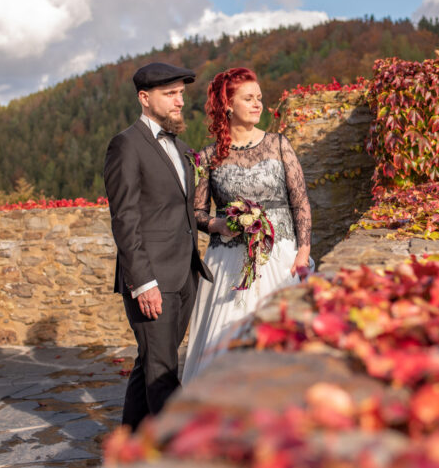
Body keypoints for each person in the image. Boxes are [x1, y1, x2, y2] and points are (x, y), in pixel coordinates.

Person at [181, 67, 312, 384]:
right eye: (249, 98)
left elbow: (301, 201)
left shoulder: (280, 144)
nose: (258, 105)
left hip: (280, 259)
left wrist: (303, 251)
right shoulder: (208, 157)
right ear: (227, 104)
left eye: (260, 99)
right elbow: (196, 212)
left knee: (281, 342)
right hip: (227, 265)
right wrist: (220, 225)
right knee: (228, 344)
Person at [103, 62, 212, 431]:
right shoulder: (126, 144)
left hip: (185, 275)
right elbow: (125, 218)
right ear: (144, 98)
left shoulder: (182, 148)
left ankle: (130, 446)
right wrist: (143, 282)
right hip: (152, 280)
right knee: (163, 373)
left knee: (150, 362)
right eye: (170, 94)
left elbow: (184, 212)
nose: (180, 101)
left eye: (181, 93)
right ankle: (176, 448)